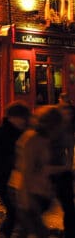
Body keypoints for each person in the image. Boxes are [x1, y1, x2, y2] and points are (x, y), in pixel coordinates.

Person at [9, 105, 62, 237]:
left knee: (25, 231)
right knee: (37, 232)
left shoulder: (44, 139)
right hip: (25, 193)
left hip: (35, 193)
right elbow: (25, 170)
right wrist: (25, 200)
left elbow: (41, 167)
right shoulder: (32, 140)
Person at [0, 101, 31, 238]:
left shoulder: (22, 132)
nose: (24, 121)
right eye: (22, 118)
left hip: (16, 177)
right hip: (2, 177)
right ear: (13, 117)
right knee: (13, 210)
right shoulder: (1, 132)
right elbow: (1, 157)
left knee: (18, 210)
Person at [53, 93, 75, 237]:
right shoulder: (54, 129)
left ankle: (70, 232)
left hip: (62, 171)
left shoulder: (68, 131)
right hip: (51, 172)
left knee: (68, 205)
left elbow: (70, 149)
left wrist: (68, 166)